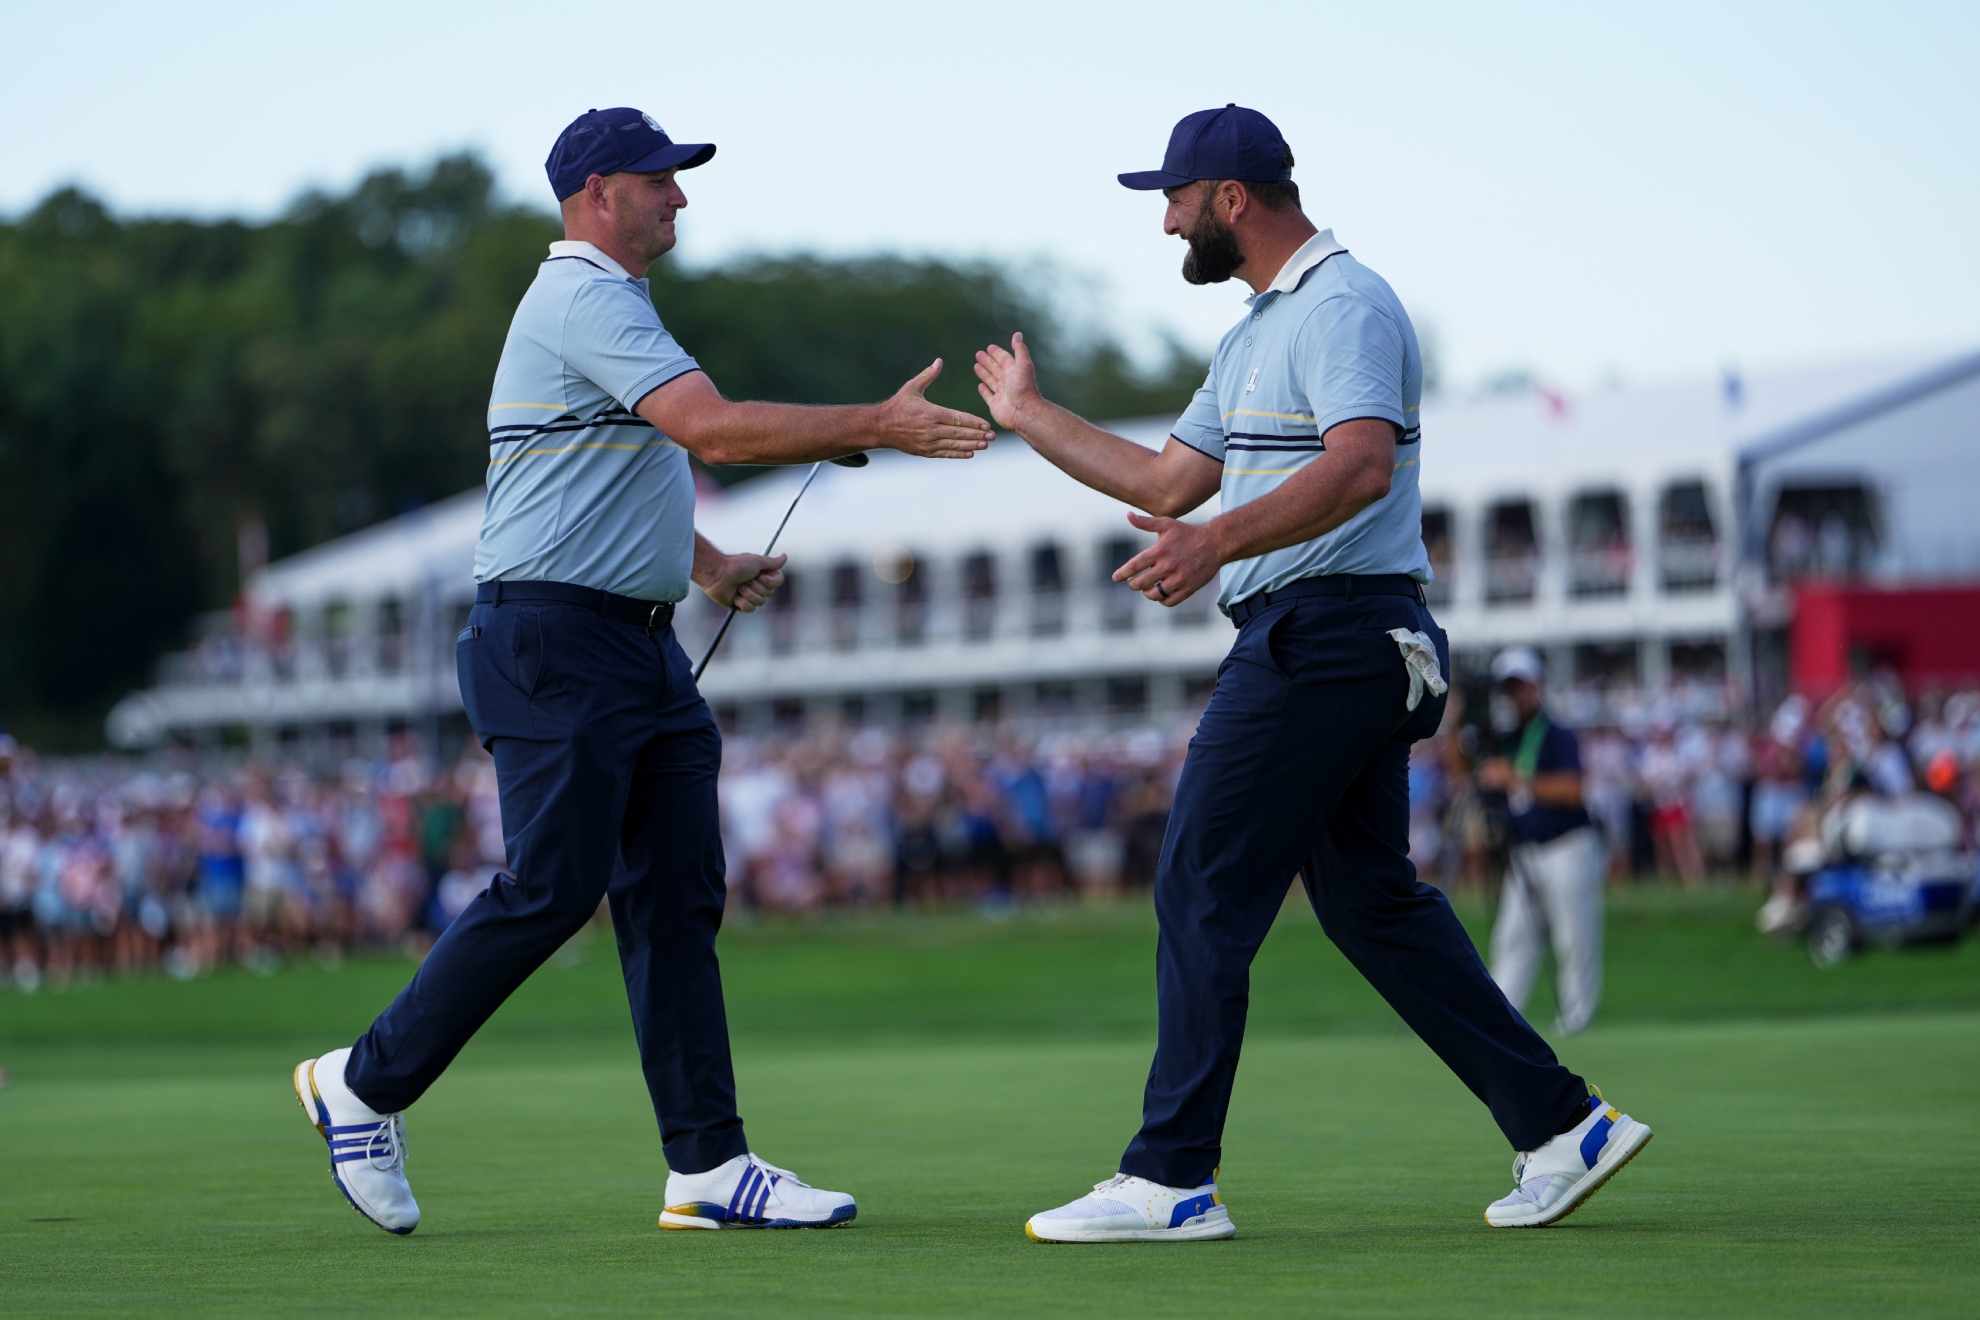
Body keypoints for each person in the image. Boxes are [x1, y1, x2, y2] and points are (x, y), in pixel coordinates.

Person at [293, 106, 993, 1236]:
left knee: (676, 897)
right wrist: (876, 424)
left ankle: (708, 1166)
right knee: (554, 886)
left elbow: (617, 472)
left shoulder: (618, 305)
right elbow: (708, 432)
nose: (679, 198)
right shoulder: (580, 294)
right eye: (660, 179)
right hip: (551, 641)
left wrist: (705, 562)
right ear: (597, 191)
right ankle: (362, 1085)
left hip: (633, 642)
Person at [974, 105, 1650, 1241]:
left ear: (1232, 199)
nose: (1169, 222)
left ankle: (1172, 1178)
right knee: (1372, 903)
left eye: (1177, 200)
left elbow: (1360, 467)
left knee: (1201, 877)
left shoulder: (1343, 303)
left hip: (1330, 635)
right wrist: (1030, 416)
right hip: (1336, 639)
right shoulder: (1252, 334)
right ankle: (1561, 1125)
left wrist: (1219, 545)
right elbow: (1169, 480)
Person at [1478, 647, 1607, 1036]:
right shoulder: (1505, 737)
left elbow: (1573, 790)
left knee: (1574, 937)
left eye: (1519, 686)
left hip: (1567, 846)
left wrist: (1516, 777)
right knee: (1512, 938)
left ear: (1536, 686)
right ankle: (1501, 1025)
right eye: (1507, 689)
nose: (1513, 696)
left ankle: (1576, 1019)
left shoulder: (1556, 733)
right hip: (1526, 850)